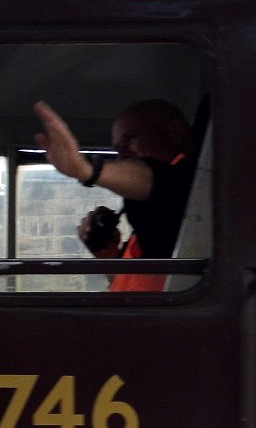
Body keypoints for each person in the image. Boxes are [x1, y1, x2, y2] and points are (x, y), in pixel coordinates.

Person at [32, 99, 196, 291]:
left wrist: (87, 168)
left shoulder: (189, 185)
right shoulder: (149, 214)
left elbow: (155, 177)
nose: (122, 155)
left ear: (174, 133)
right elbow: (138, 282)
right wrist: (108, 255)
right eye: (118, 149)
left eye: (131, 139)